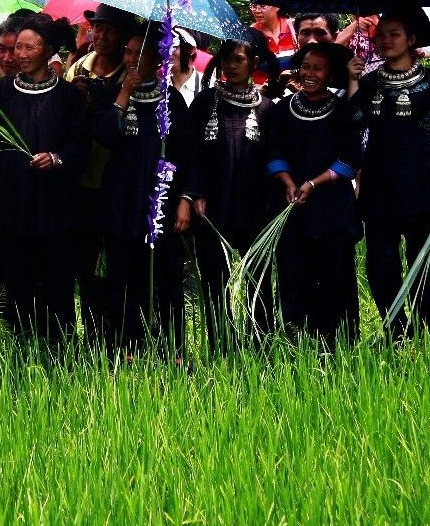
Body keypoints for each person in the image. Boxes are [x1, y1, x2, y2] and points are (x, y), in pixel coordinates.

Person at [348, 5, 430, 339]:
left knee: (424, 261)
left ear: (411, 40)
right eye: (381, 35)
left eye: (394, 34)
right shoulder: (370, 83)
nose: (385, 40)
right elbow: (353, 124)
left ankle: (427, 330)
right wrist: (352, 80)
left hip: (421, 181)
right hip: (379, 183)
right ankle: (395, 330)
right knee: (380, 263)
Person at [0, 13, 88, 344]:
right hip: (11, 201)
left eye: (30, 48)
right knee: (15, 278)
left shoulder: (68, 96)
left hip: (54, 204)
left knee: (56, 279)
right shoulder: (2, 91)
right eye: (18, 48)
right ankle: (19, 344)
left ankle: (60, 347)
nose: (21, 55)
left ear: (48, 50)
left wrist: (57, 158)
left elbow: (80, 142)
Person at [93, 24, 193, 356]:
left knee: (166, 277)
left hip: (161, 201)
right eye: (128, 52)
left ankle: (174, 350)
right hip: (122, 200)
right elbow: (105, 136)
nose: (131, 60)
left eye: (139, 54)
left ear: (157, 59)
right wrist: (124, 93)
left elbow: (187, 154)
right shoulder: (112, 92)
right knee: (122, 276)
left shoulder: (172, 100)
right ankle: (128, 346)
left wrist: (184, 199)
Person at [265, 42, 363, 348]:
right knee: (294, 276)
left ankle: (336, 345)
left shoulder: (343, 110)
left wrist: (314, 183)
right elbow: (273, 149)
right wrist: (288, 182)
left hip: (332, 209)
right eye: (305, 67)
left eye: (317, 69)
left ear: (330, 74)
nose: (309, 74)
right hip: (292, 207)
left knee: (334, 277)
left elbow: (350, 158)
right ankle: (297, 343)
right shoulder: (283, 109)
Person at [186, 29, 276, 352]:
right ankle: (222, 346)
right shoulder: (205, 102)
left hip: (255, 208)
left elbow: (274, 158)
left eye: (239, 59)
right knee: (215, 279)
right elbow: (191, 153)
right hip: (213, 208)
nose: (232, 66)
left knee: (258, 278)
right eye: (227, 59)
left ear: (253, 62)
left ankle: (262, 344)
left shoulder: (267, 108)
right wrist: (195, 192)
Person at [64, 3, 140, 340]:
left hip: (116, 183)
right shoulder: (78, 68)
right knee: (86, 263)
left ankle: (122, 334)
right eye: (98, 28)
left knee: (117, 263)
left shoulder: (131, 74)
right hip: (80, 179)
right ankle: (93, 334)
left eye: (110, 30)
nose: (102, 36)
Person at [249, 0, 297, 86]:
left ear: (277, 6)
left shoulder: (294, 27)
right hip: (263, 91)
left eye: (263, 6)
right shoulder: (250, 35)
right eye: (254, 6)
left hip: (293, 90)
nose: (257, 11)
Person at [168, 27, 205, 106]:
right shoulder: (159, 83)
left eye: (174, 46)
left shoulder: (207, 85)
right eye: (167, 46)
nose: (169, 51)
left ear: (191, 50)